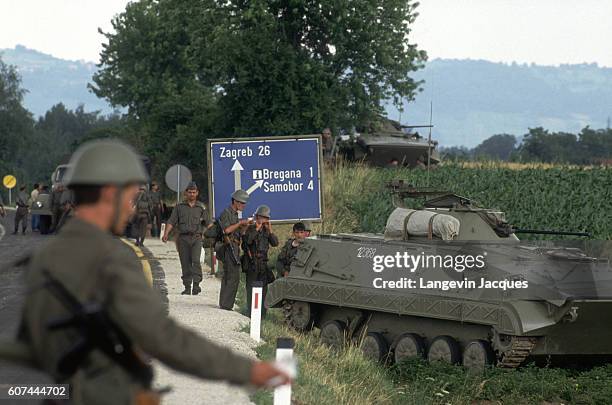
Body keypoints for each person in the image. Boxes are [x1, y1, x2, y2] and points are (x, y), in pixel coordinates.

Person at [17, 139, 289, 405]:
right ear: (111, 193)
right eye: (130, 197)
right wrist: (250, 371)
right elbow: (164, 338)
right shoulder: (110, 258)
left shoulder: (45, 255)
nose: (132, 208)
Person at [162, 182, 207, 295]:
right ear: (186, 193)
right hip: (183, 238)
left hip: (196, 238)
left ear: (197, 193)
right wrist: (166, 234)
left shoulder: (201, 207)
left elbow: (208, 223)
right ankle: (187, 286)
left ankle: (196, 285)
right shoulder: (179, 207)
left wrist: (207, 235)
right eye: (189, 192)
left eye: (194, 192)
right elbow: (172, 221)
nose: (192, 194)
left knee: (196, 261)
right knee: (185, 262)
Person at [218, 189, 253, 310]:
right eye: (242, 203)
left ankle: (225, 304)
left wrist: (244, 226)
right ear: (236, 202)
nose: (244, 205)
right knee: (233, 276)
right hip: (228, 247)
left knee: (231, 275)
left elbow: (239, 233)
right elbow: (226, 231)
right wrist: (239, 223)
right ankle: (226, 305)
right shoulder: (226, 213)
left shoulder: (234, 214)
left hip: (235, 246)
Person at [242, 205, 278, 317]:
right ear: (257, 217)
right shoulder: (250, 228)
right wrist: (256, 229)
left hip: (263, 263)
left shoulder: (267, 231)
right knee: (251, 289)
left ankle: (262, 315)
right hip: (252, 263)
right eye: (261, 217)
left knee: (263, 290)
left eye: (266, 218)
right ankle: (250, 313)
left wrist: (270, 230)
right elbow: (247, 242)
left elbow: (275, 243)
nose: (263, 220)